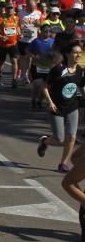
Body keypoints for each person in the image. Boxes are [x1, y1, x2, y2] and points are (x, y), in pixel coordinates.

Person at [38, 42, 84, 173]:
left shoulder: (80, 70)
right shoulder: (58, 69)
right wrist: (50, 102)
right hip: (56, 107)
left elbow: (80, 87)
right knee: (60, 139)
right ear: (68, 54)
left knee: (72, 137)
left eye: (79, 52)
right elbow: (45, 87)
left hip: (72, 107)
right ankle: (45, 142)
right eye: (75, 52)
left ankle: (63, 163)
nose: (78, 55)